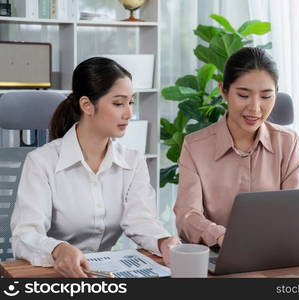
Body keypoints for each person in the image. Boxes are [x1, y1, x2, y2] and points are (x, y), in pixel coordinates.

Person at [11, 57, 180, 278]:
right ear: (87, 105)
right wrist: (58, 249)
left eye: (131, 102)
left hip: (103, 275)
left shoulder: (132, 161)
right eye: (119, 103)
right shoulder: (42, 161)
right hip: (52, 276)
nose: (129, 113)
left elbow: (140, 220)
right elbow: (25, 235)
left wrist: (163, 241)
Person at [174, 47, 299, 248]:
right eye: (243, 95)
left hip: (276, 253)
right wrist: (221, 236)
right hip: (219, 253)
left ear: (276, 95)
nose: (255, 108)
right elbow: (187, 216)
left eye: (266, 96)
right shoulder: (195, 146)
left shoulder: (288, 142)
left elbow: (296, 210)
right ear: (223, 91)